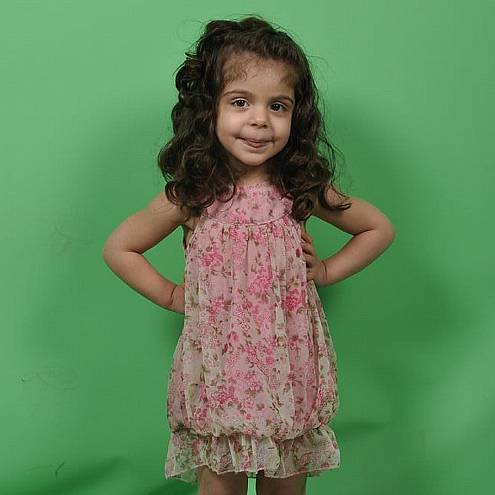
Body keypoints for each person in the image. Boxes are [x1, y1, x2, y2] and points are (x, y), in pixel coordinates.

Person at [102, 15, 395, 495]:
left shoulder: (299, 186)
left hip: (288, 369)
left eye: (277, 106)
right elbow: (120, 247)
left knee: (285, 483)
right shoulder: (195, 193)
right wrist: (174, 295)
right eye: (240, 102)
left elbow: (377, 228)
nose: (260, 119)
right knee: (221, 484)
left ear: (296, 115)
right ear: (209, 110)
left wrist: (324, 271)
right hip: (221, 372)